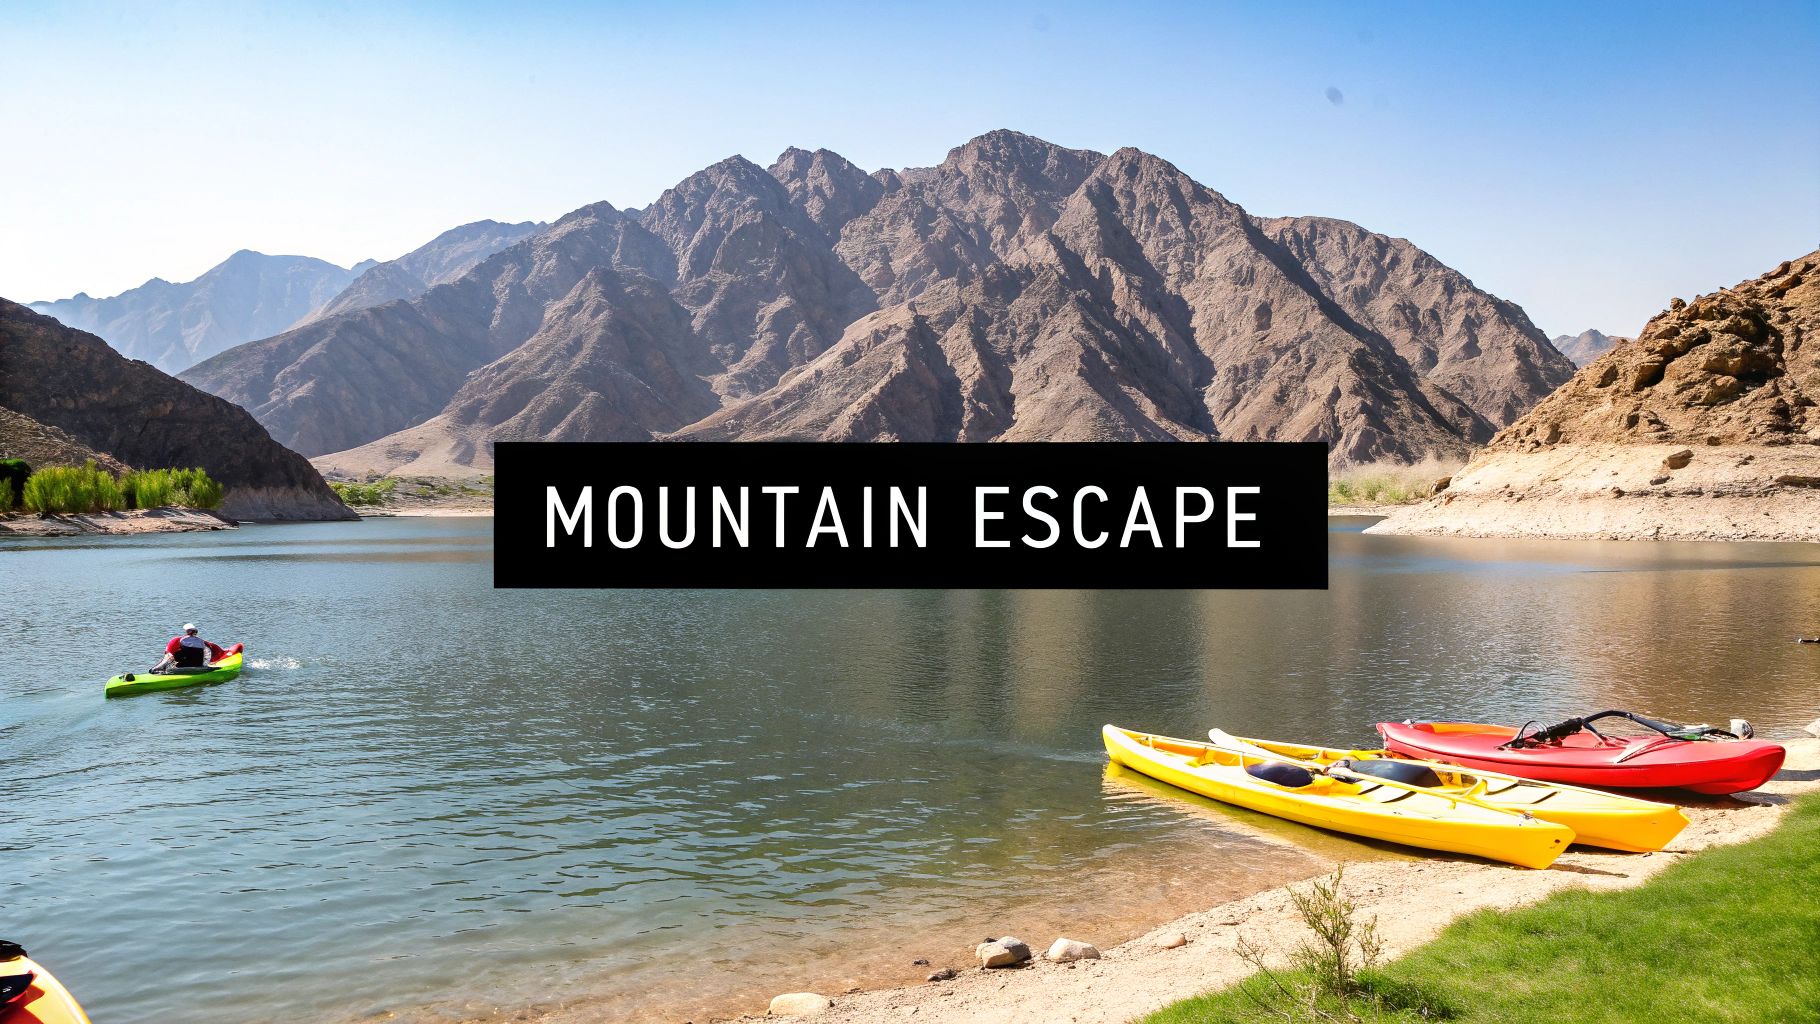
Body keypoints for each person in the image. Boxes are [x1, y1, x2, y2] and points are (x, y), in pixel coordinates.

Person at [150, 623, 227, 674]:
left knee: (177, 654)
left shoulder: (177, 640)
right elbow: (213, 649)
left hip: (184, 667)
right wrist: (225, 654)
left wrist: (154, 669)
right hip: (199, 665)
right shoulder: (202, 641)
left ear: (186, 632)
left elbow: (167, 656)